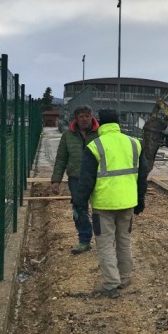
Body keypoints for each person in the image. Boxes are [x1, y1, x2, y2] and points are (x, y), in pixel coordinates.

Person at [72, 109, 148, 299]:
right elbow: (142, 176)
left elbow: (86, 179)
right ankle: (124, 277)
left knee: (105, 243)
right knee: (124, 241)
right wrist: (140, 200)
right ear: (118, 123)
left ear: (100, 123)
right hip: (127, 202)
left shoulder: (95, 145)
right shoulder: (134, 144)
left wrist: (79, 202)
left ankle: (111, 284)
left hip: (104, 204)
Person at [51, 105, 99, 255]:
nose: (84, 119)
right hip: (76, 178)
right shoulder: (68, 135)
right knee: (79, 210)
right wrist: (56, 180)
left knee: (101, 210)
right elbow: (61, 158)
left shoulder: (101, 134)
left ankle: (104, 241)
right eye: (81, 117)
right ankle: (84, 240)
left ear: (92, 117)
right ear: (76, 119)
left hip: (98, 178)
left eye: (87, 116)